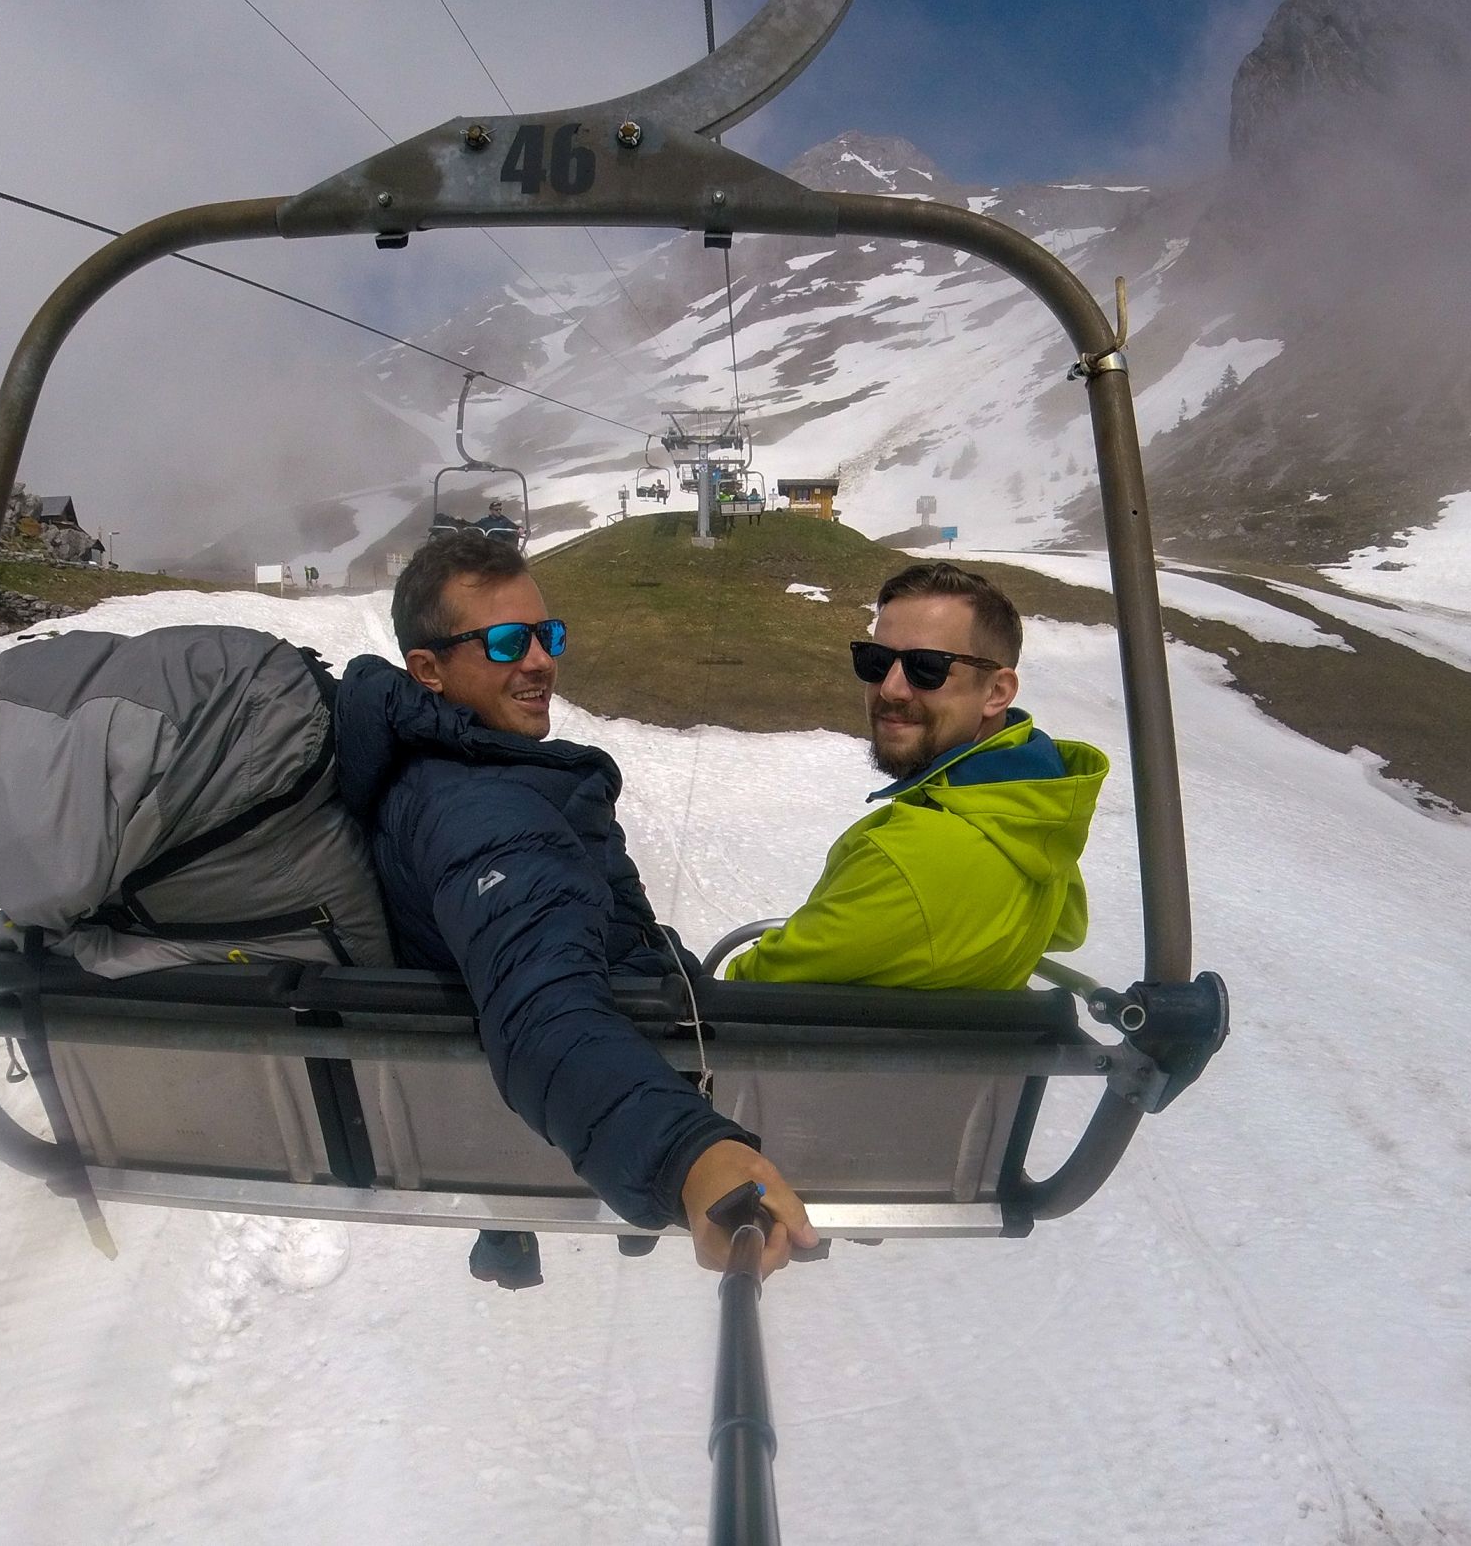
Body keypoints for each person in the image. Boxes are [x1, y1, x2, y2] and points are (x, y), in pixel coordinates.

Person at [333, 528, 816, 1289]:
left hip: (563, 1087)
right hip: (597, 1082)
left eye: (545, 633)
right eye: (502, 642)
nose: (539, 661)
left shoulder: (446, 768)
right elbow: (542, 1013)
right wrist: (688, 1153)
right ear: (426, 669)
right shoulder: (484, 813)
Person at [726, 561, 1107, 989]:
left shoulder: (907, 858)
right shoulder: (1033, 813)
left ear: (997, 692)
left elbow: (752, 985)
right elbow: (1064, 929)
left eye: (926, 667)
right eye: (875, 661)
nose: (890, 688)